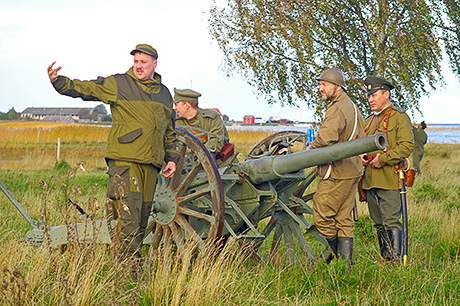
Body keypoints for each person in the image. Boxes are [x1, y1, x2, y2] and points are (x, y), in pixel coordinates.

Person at [47, 44, 180, 262]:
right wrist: (59, 82)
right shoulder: (119, 84)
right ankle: (129, 270)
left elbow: (170, 131)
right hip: (125, 161)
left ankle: (129, 269)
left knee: (142, 218)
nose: (138, 66)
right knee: (128, 217)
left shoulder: (165, 94)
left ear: (154, 65)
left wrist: (172, 159)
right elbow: (88, 89)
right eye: (136, 61)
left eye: (143, 62)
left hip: (151, 164)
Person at [310, 68, 364, 266]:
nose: (320, 89)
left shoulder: (337, 108)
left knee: (322, 215)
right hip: (353, 170)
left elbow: (326, 139)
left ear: (337, 87)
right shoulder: (352, 106)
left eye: (324, 85)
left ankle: (340, 259)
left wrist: (310, 148)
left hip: (338, 172)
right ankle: (346, 269)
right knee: (343, 219)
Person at [360, 76, 414, 262]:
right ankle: (386, 258)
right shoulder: (367, 121)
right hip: (370, 180)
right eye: (369, 96)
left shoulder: (400, 117)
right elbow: (361, 145)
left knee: (391, 221)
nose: (370, 99)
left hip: (390, 179)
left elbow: (406, 146)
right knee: (378, 224)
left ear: (386, 94)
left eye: (374, 95)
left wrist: (382, 159)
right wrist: (360, 155)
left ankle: (396, 261)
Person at [173, 88, 229, 156]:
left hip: (220, 162)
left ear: (187, 105)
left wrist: (195, 155)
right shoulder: (178, 122)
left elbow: (215, 143)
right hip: (192, 162)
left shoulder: (211, 118)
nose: (174, 108)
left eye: (176, 104)